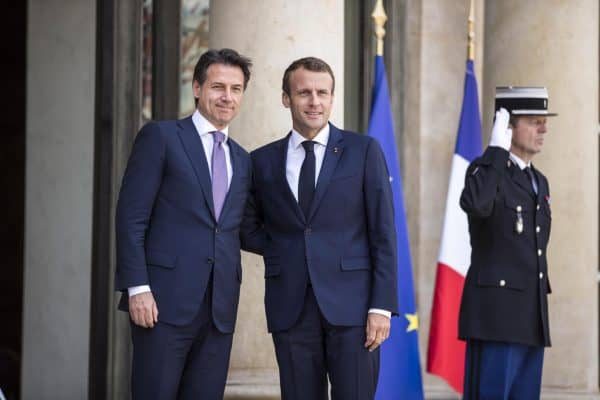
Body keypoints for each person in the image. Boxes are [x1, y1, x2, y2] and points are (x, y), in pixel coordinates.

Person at [242, 57, 398, 399]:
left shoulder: (363, 151)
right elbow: (245, 225)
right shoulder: (261, 161)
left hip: (355, 310)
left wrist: (381, 306)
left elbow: (384, 232)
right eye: (304, 93)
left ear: (332, 98)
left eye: (322, 93)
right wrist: (285, 247)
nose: (314, 101)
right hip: (291, 309)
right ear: (286, 98)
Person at [115, 48, 252, 400]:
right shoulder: (161, 138)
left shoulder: (241, 158)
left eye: (236, 89)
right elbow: (131, 217)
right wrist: (137, 288)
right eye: (218, 86)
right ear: (196, 88)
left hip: (219, 308)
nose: (227, 97)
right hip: (162, 303)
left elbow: (236, 229)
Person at [459, 86, 556, 399]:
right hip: (495, 317)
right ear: (507, 126)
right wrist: (496, 153)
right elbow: (476, 204)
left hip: (531, 316)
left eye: (544, 120)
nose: (543, 128)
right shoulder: (484, 171)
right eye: (533, 120)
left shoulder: (538, 180)